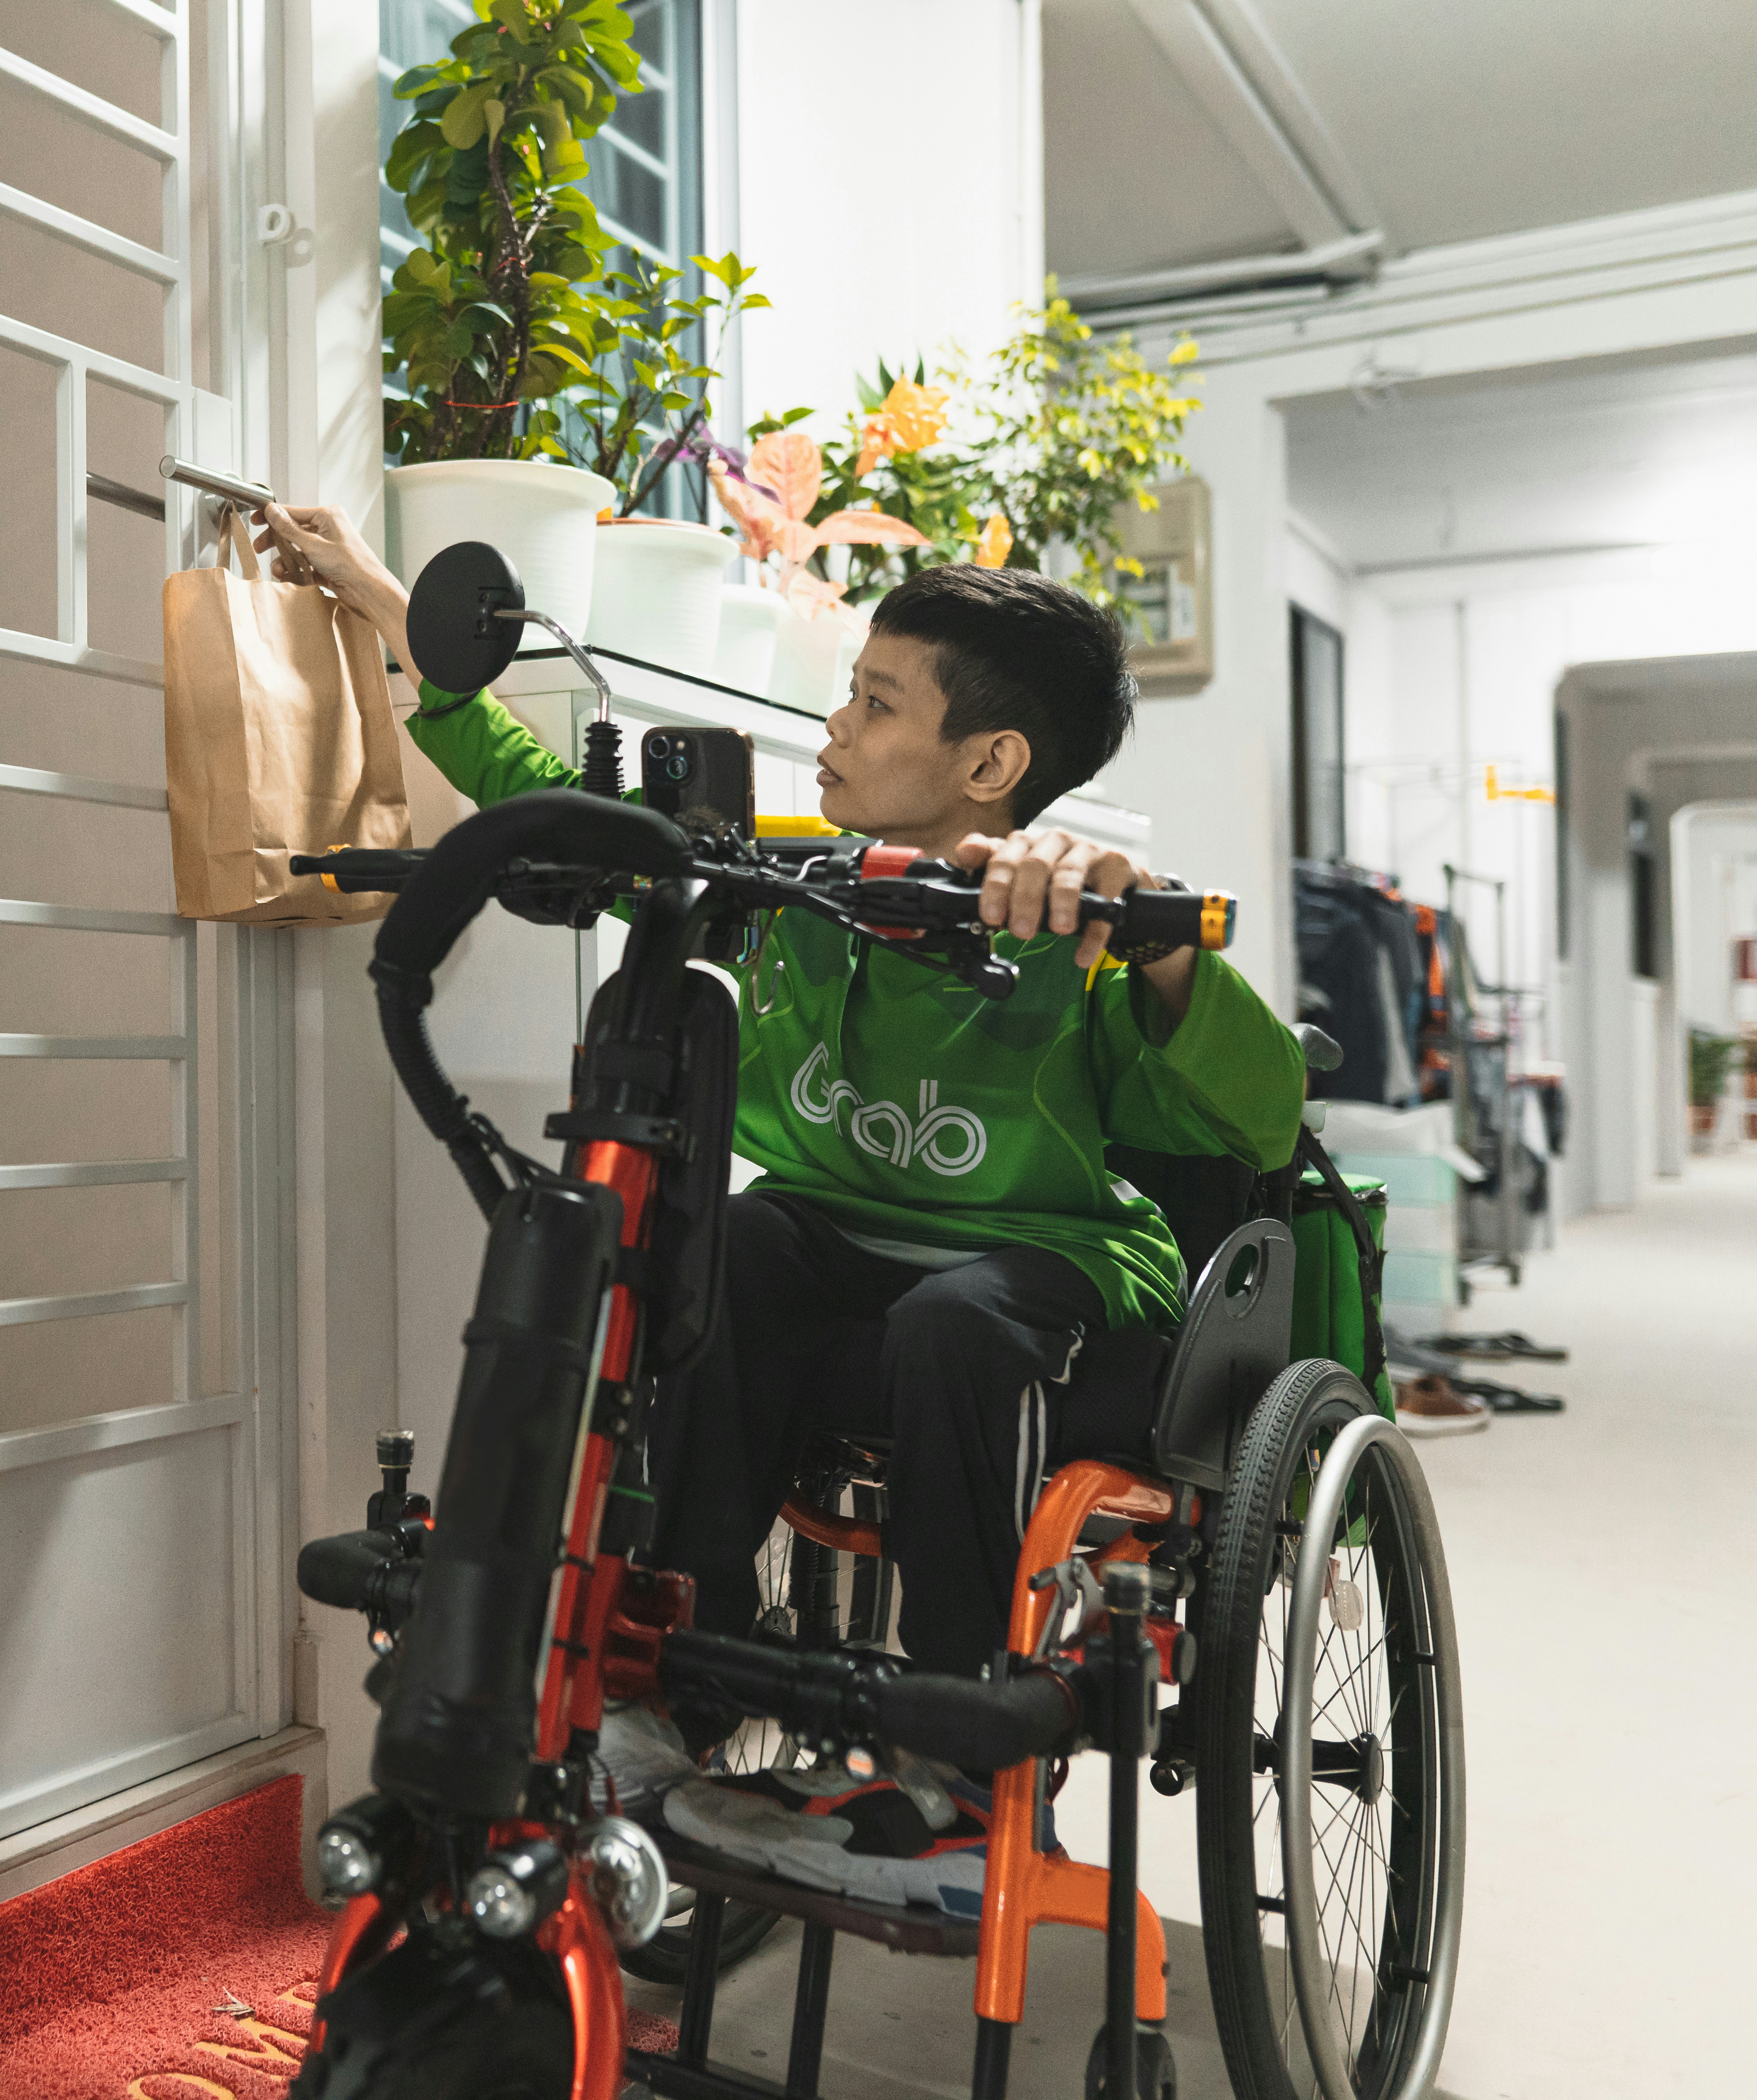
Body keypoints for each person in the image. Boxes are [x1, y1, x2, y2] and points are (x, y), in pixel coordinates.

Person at [255, 502, 1307, 1914]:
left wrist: (1155, 936)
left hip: (1043, 1279)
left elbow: (1262, 1110)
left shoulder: (1075, 929)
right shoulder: (797, 885)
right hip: (833, 1260)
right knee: (727, 1245)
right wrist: (386, 602)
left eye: (877, 703)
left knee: (957, 1322)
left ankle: (957, 1768)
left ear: (990, 764)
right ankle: (669, 1681)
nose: (837, 721)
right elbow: (549, 802)